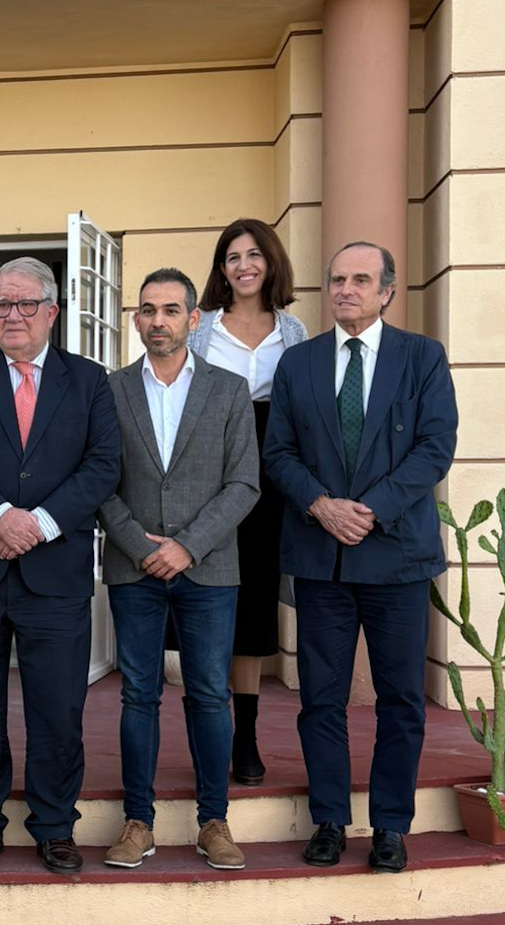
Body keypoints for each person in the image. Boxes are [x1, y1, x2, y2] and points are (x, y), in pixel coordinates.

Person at [0, 256, 120, 875]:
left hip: (54, 567)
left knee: (57, 706)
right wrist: (0, 516)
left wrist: (37, 523)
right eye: (2, 305)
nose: (12, 316)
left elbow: (103, 464)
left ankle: (55, 826)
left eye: (25, 305)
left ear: (52, 312)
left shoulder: (89, 381)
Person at [265, 241, 458, 873]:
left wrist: (368, 508)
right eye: (337, 279)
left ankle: (391, 825)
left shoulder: (422, 358)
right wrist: (323, 505)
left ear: (386, 292)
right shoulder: (298, 364)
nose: (345, 288)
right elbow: (278, 454)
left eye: (360, 279)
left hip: (396, 556)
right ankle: (328, 820)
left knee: (400, 698)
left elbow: (434, 448)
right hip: (322, 557)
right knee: (321, 697)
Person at [97, 268, 259, 871]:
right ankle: (137, 822)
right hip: (134, 568)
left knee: (210, 696)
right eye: (147, 310)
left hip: (210, 569)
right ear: (136, 320)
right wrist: (141, 544)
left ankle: (213, 821)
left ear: (195, 319)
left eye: (170, 310)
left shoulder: (228, 390)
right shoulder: (109, 392)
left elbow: (245, 483)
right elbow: (98, 481)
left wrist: (187, 546)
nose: (157, 321)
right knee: (138, 696)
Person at [189, 218, 308, 785]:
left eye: (253, 254)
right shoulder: (200, 329)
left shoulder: (295, 331)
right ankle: (204, 723)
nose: (243, 265)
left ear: (271, 262)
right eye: (232, 256)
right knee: (209, 597)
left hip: (271, 475)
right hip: (209, 470)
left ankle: (247, 735)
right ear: (221, 269)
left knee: (255, 604)